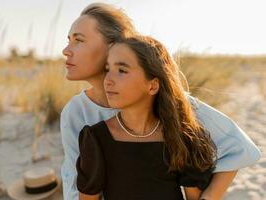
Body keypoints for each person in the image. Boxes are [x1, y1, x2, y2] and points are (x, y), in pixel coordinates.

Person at [61, 3, 261, 200]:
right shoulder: (76, 113)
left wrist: (209, 196)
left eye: (78, 40)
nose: (66, 50)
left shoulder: (174, 103)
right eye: (68, 40)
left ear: (114, 45)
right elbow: (74, 186)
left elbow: (241, 149)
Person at [77, 35, 217, 200]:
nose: (108, 80)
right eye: (108, 69)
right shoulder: (96, 139)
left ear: (152, 86)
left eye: (122, 70)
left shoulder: (181, 136)